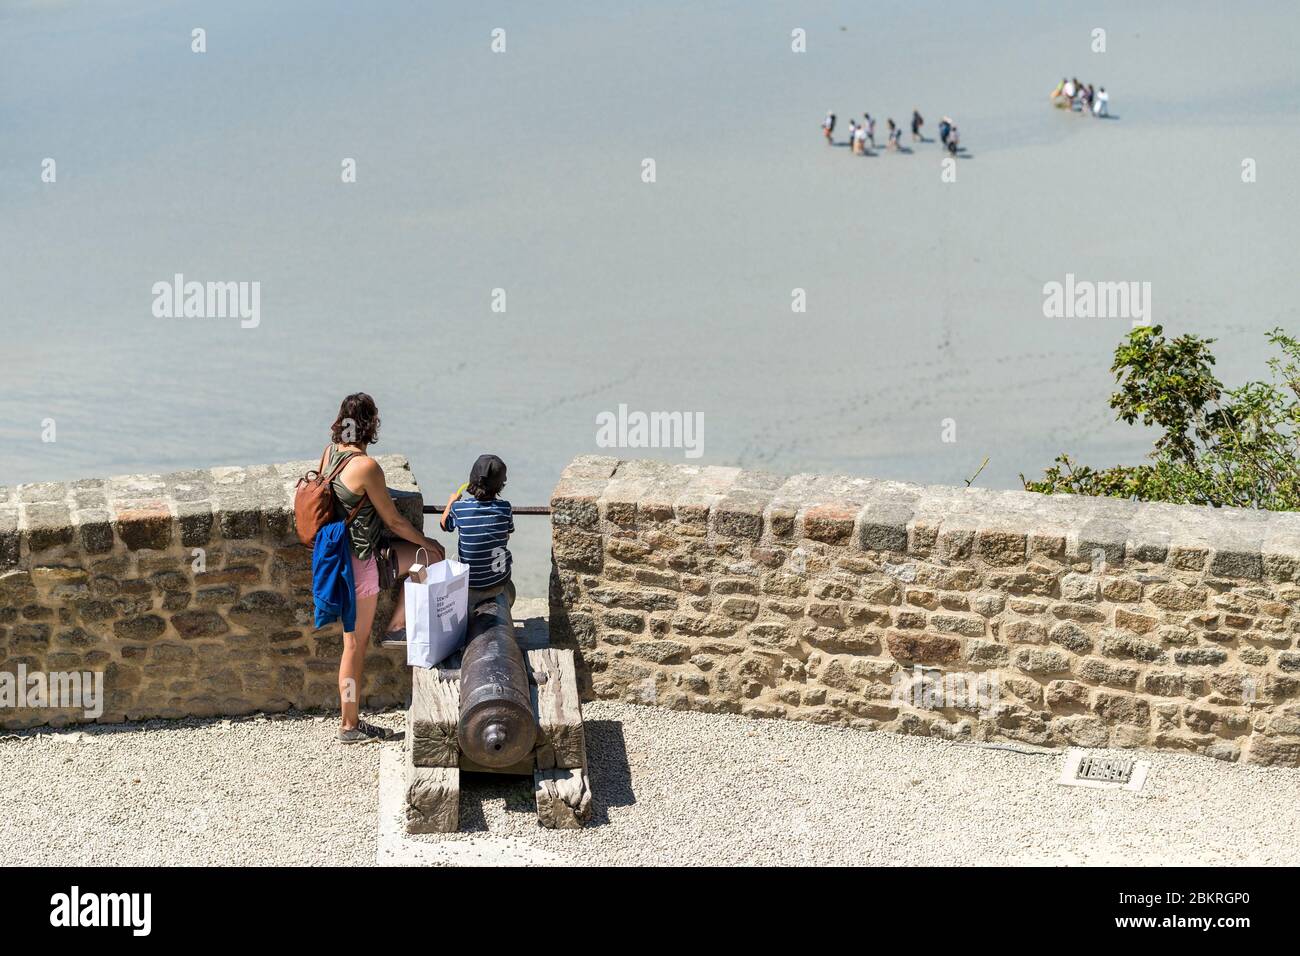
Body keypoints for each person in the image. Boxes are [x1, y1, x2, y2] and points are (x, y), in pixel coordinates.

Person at [320, 393, 446, 744]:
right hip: (362, 564)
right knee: (354, 645)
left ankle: (350, 720)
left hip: (337, 558)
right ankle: (349, 724)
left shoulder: (331, 454)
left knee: (351, 645)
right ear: (371, 424)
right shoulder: (367, 467)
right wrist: (425, 541)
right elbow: (393, 519)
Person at [440, 454, 516, 610]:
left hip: (469, 585)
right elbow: (508, 534)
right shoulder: (505, 508)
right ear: (501, 486)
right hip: (498, 583)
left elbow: (444, 525)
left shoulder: (459, 508)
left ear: (471, 480)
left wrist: (451, 502)